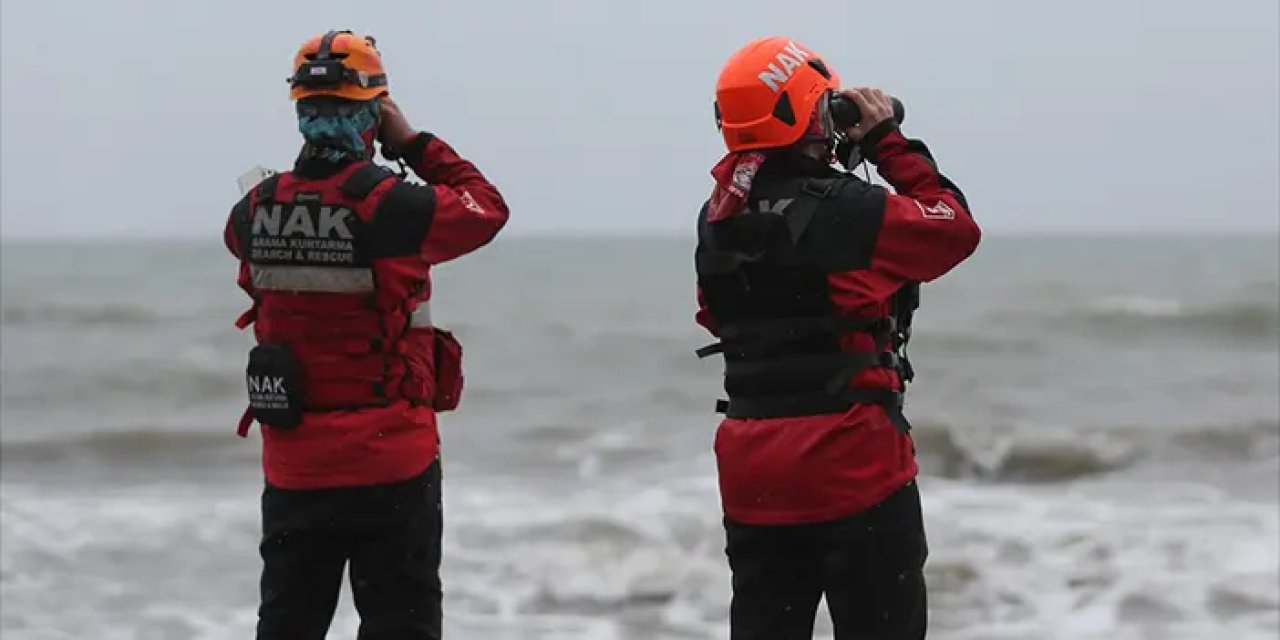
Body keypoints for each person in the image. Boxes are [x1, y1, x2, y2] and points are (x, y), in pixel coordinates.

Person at [223, 29, 509, 640]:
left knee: (288, 625)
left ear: (301, 110)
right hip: (391, 463)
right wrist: (415, 143)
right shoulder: (398, 209)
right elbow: (487, 208)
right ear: (373, 113)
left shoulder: (251, 211)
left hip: (295, 467)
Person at [693, 36, 981, 639]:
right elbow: (953, 227)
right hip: (854, 466)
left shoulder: (719, 218)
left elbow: (716, 316)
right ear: (809, 111)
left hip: (753, 472)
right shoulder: (850, 209)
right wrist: (885, 142)